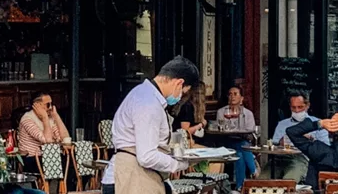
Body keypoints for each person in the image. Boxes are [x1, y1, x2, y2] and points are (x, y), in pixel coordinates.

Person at [101, 57, 199, 194]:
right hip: (131, 178)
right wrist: (179, 164)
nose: (180, 96)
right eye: (183, 92)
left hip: (130, 175)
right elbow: (147, 156)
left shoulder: (143, 94)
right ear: (179, 83)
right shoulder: (148, 103)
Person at [209, 86, 259, 190]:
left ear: (241, 98)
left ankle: (240, 187)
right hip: (226, 141)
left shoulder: (248, 114)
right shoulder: (222, 112)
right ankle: (254, 170)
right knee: (243, 146)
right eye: (230, 94)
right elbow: (221, 129)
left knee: (240, 153)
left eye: (235, 94)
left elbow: (250, 131)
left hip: (242, 141)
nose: (232, 96)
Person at [269, 93, 324, 182]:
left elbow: (325, 146)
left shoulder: (318, 123)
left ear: (307, 106)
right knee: (259, 182)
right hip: (280, 159)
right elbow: (274, 144)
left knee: (288, 183)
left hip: (302, 158)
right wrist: (280, 141)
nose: (297, 111)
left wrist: (311, 140)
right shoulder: (282, 124)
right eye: (293, 107)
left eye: (300, 107)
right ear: (290, 107)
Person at [16, 93, 70, 171]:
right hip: (32, 158)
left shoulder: (50, 117)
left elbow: (65, 138)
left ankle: (70, 183)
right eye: (48, 104)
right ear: (37, 105)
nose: (51, 107)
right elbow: (47, 141)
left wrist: (56, 116)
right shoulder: (27, 119)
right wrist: (45, 118)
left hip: (49, 157)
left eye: (51, 104)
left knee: (75, 161)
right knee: (66, 165)